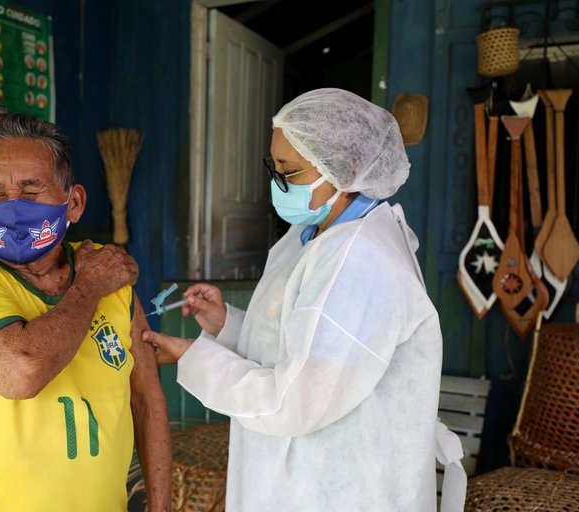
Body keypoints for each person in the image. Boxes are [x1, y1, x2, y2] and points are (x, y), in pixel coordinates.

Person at [145, 88, 466, 511]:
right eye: (273, 166)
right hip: (300, 478)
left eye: (290, 171)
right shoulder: (311, 235)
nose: (277, 182)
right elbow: (301, 341)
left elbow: (297, 399)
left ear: (346, 170)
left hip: (343, 489)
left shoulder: (361, 263)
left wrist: (195, 357)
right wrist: (227, 324)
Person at [0, 114, 172, 511]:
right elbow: (21, 370)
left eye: (31, 191)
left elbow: (147, 400)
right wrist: (90, 286)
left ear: (74, 203)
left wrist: (161, 505)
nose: (12, 208)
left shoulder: (112, 284)